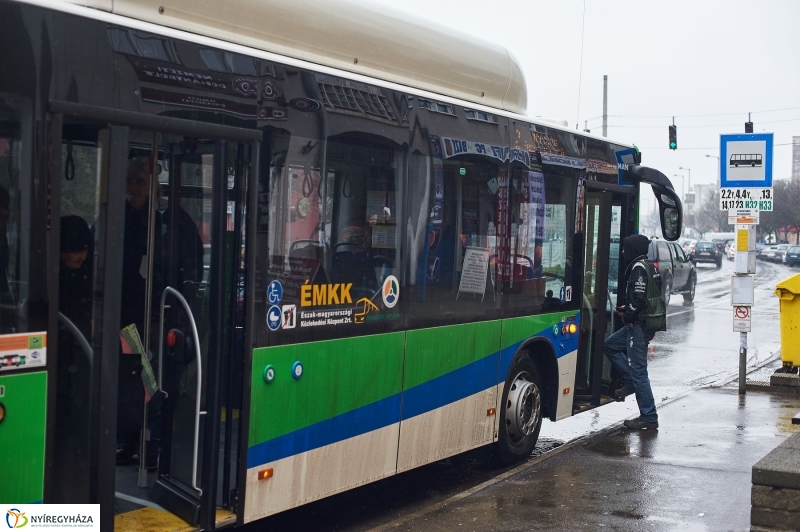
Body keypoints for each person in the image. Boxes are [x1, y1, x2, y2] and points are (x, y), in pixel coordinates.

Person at [117, 156, 204, 467]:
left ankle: (154, 445)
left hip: (162, 318)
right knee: (129, 379)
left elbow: (193, 270)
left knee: (155, 382)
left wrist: (180, 309)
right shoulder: (118, 217)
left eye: (140, 181)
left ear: (155, 187)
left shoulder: (173, 221)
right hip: (127, 316)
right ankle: (126, 440)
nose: (133, 188)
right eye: (128, 181)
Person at [604, 234, 661, 430]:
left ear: (633, 250)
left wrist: (628, 316)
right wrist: (627, 309)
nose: (622, 252)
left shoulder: (638, 269)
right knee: (610, 345)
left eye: (625, 248)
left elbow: (638, 300)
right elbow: (646, 297)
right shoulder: (649, 266)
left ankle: (649, 417)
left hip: (638, 326)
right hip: (641, 323)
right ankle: (629, 382)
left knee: (639, 371)